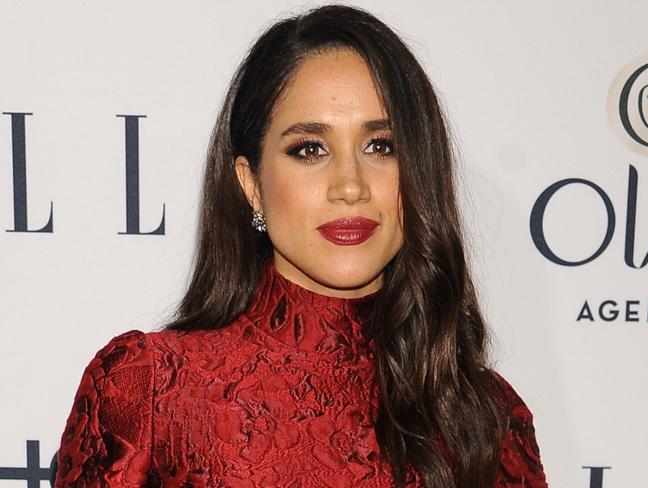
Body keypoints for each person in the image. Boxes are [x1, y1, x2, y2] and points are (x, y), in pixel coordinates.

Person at [54, 4, 548, 487]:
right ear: (251, 184)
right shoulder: (150, 390)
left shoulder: (485, 416)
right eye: (310, 149)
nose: (350, 185)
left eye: (381, 146)